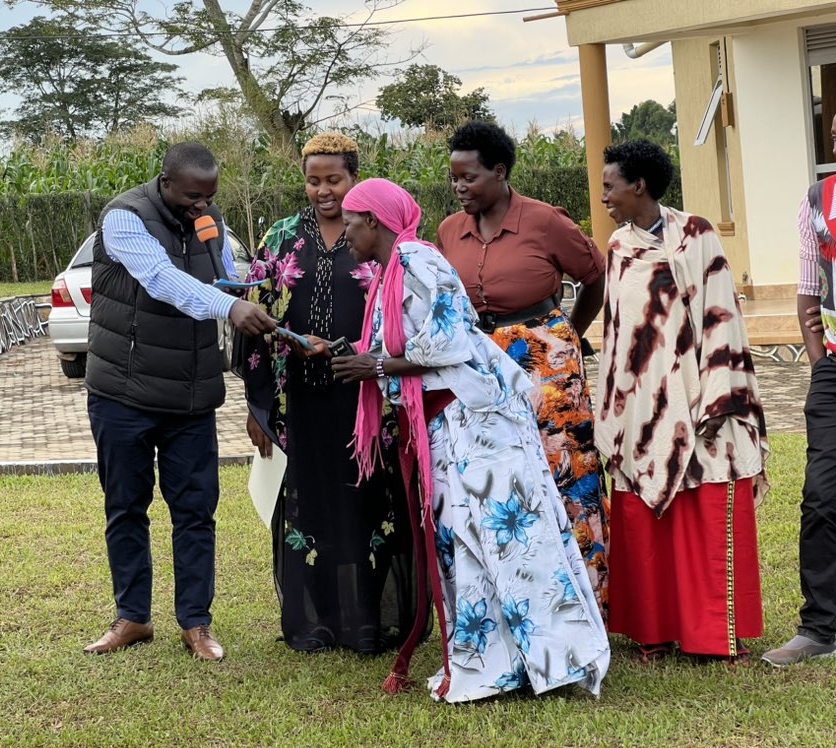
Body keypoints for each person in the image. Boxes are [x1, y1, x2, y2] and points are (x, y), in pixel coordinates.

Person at [329, 177, 610, 703]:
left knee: (513, 539)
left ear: (372, 221)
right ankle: (497, 668)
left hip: (481, 422)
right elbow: (394, 346)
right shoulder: (394, 272)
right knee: (467, 545)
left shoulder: (419, 261)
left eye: (349, 222)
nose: (343, 234)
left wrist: (378, 364)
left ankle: (563, 663)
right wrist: (355, 357)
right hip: (448, 425)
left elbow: (452, 338)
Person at [83, 141, 275, 660]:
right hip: (122, 392)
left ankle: (196, 624)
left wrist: (267, 283)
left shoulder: (208, 217)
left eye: (210, 196)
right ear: (165, 182)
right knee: (126, 507)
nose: (202, 205)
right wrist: (230, 307)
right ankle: (132, 618)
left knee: (196, 512)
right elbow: (163, 281)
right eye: (193, 196)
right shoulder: (124, 219)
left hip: (191, 395)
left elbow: (227, 274)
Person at [236, 133, 419, 653]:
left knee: (366, 504)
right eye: (313, 180)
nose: (322, 190)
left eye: (333, 179)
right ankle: (314, 622)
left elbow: (405, 320)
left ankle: (367, 622)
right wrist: (259, 406)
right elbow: (252, 317)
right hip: (302, 403)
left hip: (367, 401)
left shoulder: (379, 234)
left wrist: (349, 349)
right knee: (309, 506)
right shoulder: (283, 236)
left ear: (354, 177)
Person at [596, 139, 768, 663]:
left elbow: (722, 318)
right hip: (640, 406)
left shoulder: (697, 235)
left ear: (639, 185)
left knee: (701, 509)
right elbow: (615, 334)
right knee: (646, 521)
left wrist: (716, 400)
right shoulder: (619, 247)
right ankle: (655, 632)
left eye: (610, 186)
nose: (604, 196)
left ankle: (708, 635)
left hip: (700, 401)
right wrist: (618, 410)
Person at [437, 120, 610, 617]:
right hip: (480, 368)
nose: (459, 187)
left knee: (564, 471)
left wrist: (567, 335)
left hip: (546, 367)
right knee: (499, 479)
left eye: (469, 177)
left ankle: (587, 605)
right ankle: (519, 602)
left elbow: (594, 278)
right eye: (453, 178)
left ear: (500, 171)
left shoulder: (544, 221)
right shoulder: (450, 230)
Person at [762, 114, 836, 667]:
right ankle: (821, 627)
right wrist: (818, 364)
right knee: (821, 496)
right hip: (834, 370)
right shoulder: (818, 200)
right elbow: (810, 292)